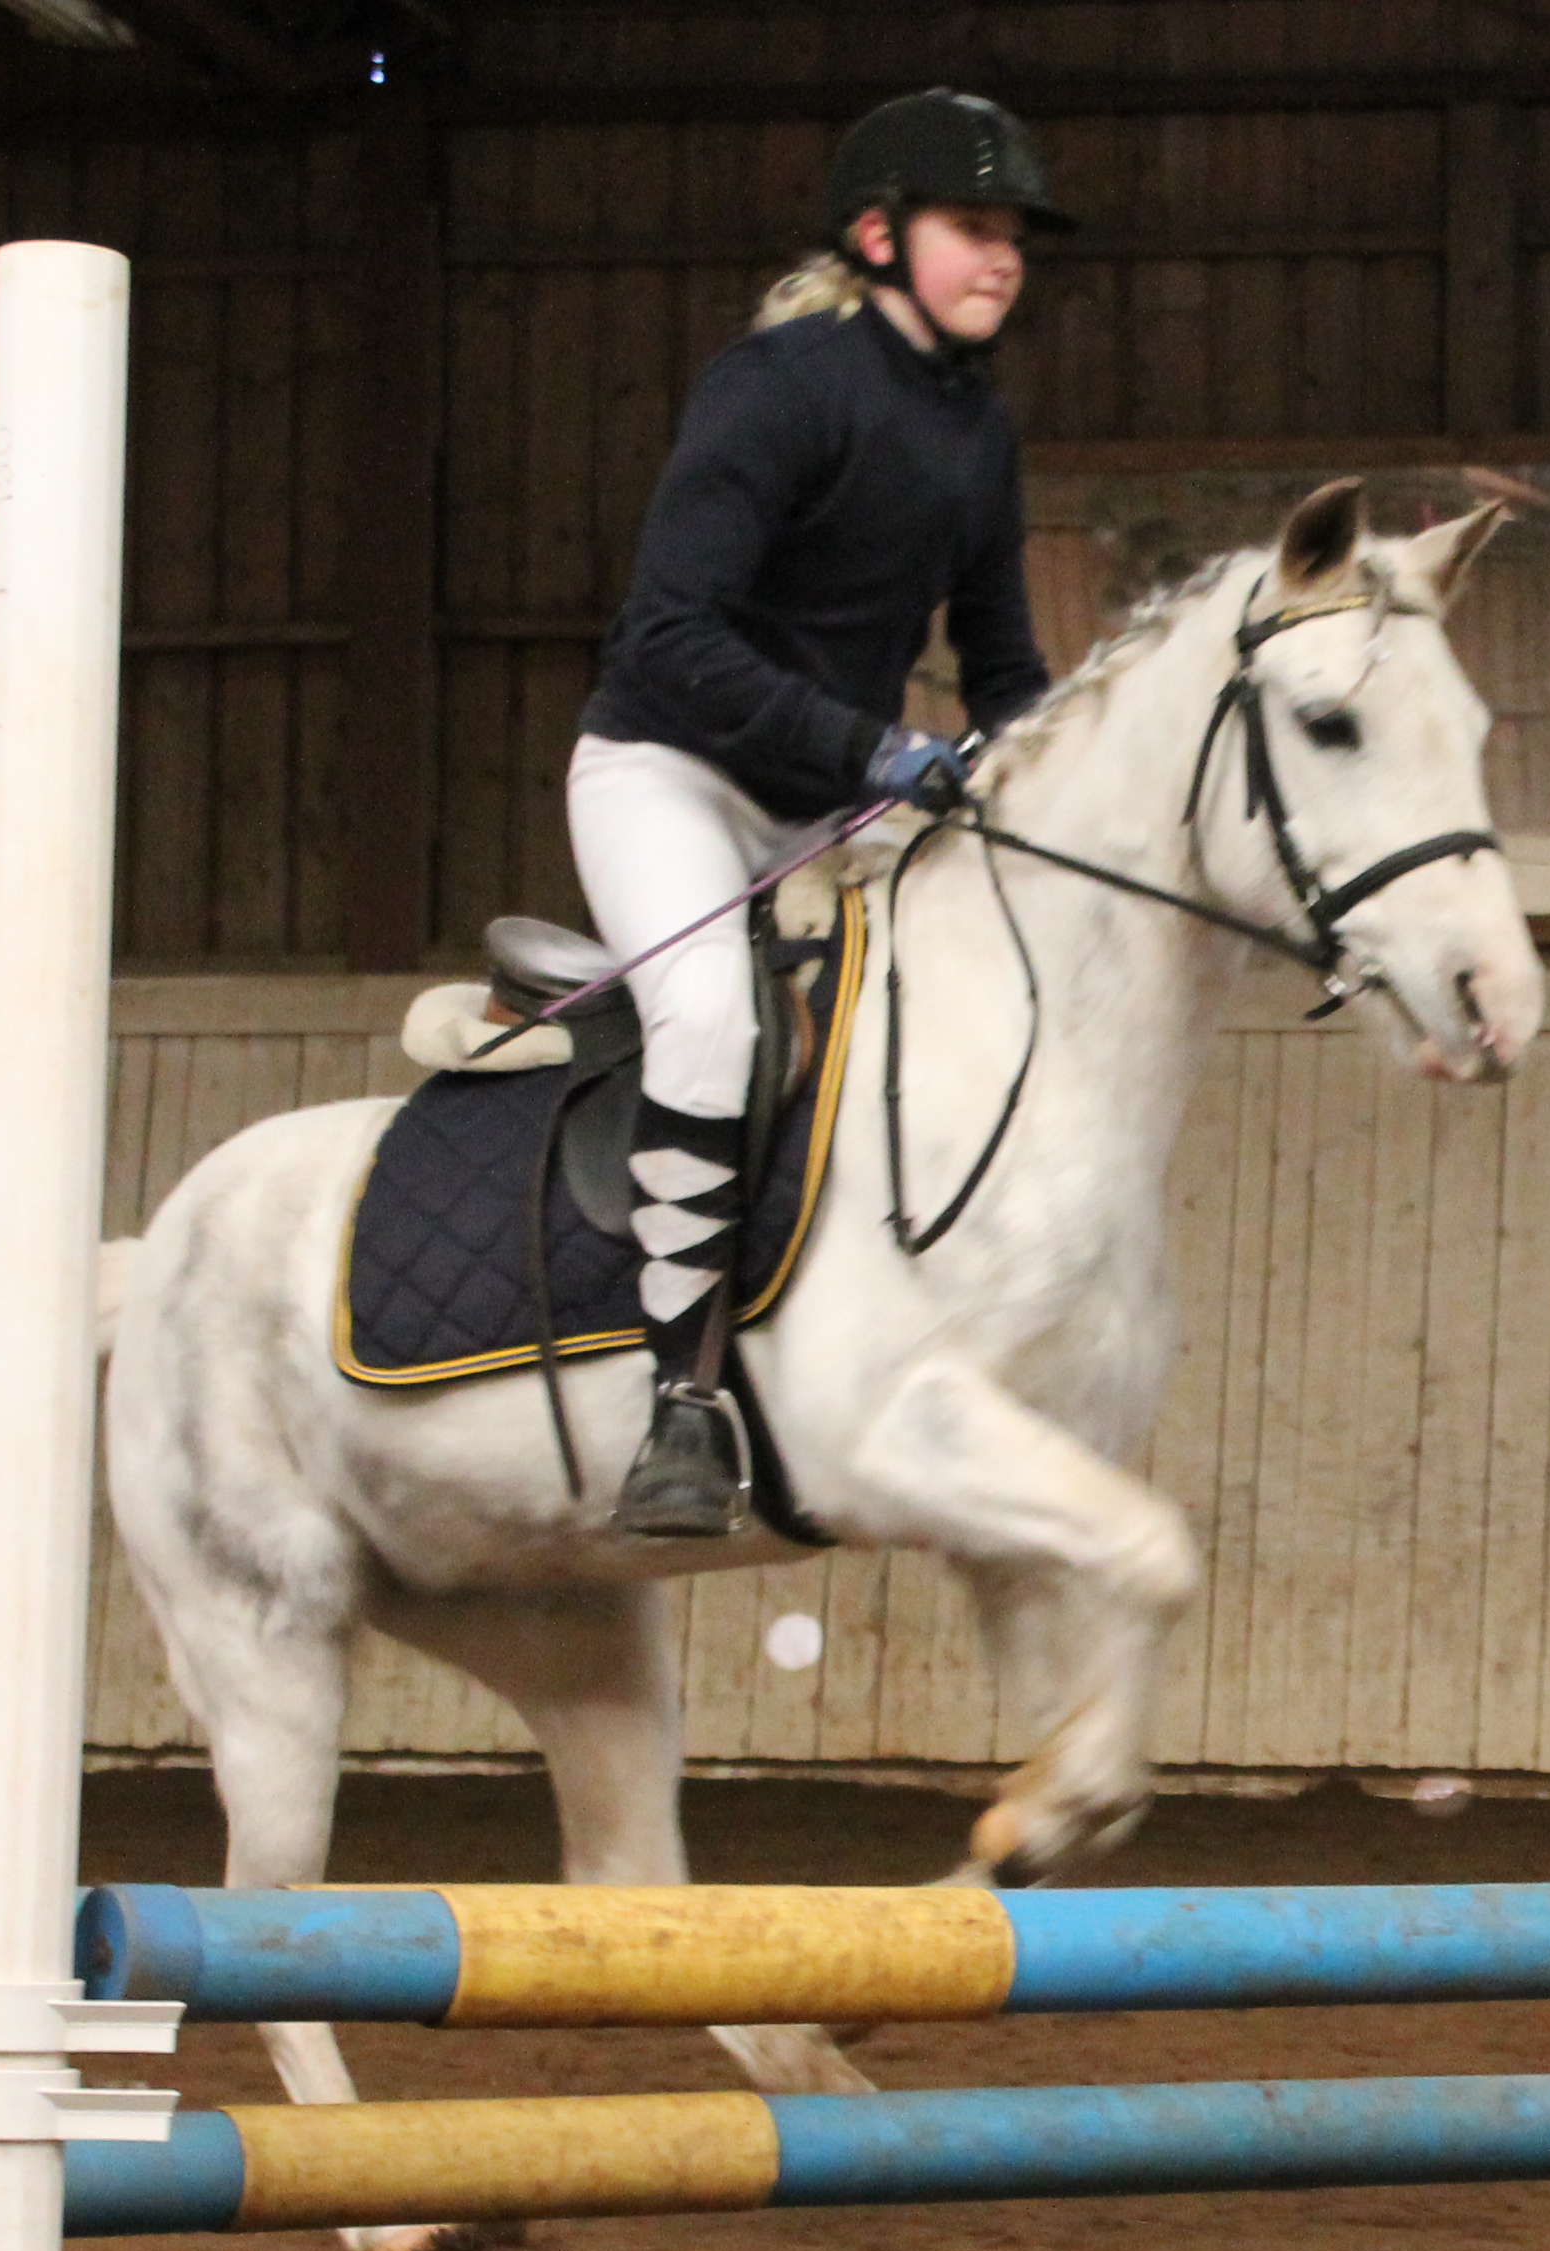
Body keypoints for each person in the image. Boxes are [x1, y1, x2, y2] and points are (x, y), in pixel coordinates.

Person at [562, 86, 1069, 1535]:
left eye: (1015, 233)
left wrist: (1056, 774)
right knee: (712, 1021)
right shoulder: (779, 387)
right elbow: (670, 637)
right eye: (973, 227)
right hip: (668, 775)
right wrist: (874, 748)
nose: (1004, 255)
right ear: (879, 235)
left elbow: (1005, 669)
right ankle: (679, 1404)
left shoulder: (977, 434)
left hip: (829, 806)